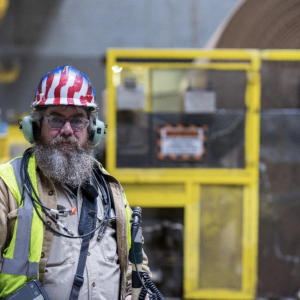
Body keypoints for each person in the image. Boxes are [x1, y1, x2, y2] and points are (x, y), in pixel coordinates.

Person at [0, 65, 150, 300]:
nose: (68, 130)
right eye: (56, 119)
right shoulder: (9, 185)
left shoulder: (110, 189)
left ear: (93, 130)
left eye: (78, 121)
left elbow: (137, 269)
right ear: (35, 127)